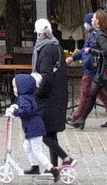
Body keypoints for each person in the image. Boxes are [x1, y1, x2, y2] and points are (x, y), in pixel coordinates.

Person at [31, 18, 76, 172]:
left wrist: (37, 94)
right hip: (59, 94)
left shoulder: (44, 50)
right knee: (50, 132)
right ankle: (54, 166)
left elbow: (47, 77)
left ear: (38, 34)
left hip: (48, 97)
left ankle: (66, 158)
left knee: (40, 131)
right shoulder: (57, 46)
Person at [5, 74, 59, 182]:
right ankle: (35, 167)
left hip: (34, 127)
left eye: (15, 87)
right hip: (31, 128)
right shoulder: (26, 96)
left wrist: (15, 112)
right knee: (27, 147)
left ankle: (52, 169)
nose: (14, 89)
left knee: (36, 150)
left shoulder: (23, 97)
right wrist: (15, 107)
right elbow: (24, 107)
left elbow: (26, 110)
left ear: (22, 87)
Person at [66, 12, 107, 129]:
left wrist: (90, 51)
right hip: (97, 70)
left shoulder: (99, 35)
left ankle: (78, 118)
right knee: (99, 96)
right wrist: (75, 56)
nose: (90, 21)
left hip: (97, 70)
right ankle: (81, 119)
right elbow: (85, 49)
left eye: (92, 19)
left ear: (97, 21)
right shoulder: (95, 34)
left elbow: (105, 51)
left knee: (88, 95)